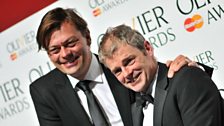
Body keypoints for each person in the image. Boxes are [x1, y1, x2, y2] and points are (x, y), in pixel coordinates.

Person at [30, 7, 212, 126]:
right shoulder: (44, 91)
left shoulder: (115, 64)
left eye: (70, 43)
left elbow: (158, 75)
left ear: (87, 37)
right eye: (54, 49)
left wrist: (192, 70)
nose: (65, 54)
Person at [98, 24, 223, 126]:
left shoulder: (186, 80)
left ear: (147, 48)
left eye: (129, 61)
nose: (127, 73)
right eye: (118, 71)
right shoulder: (135, 110)